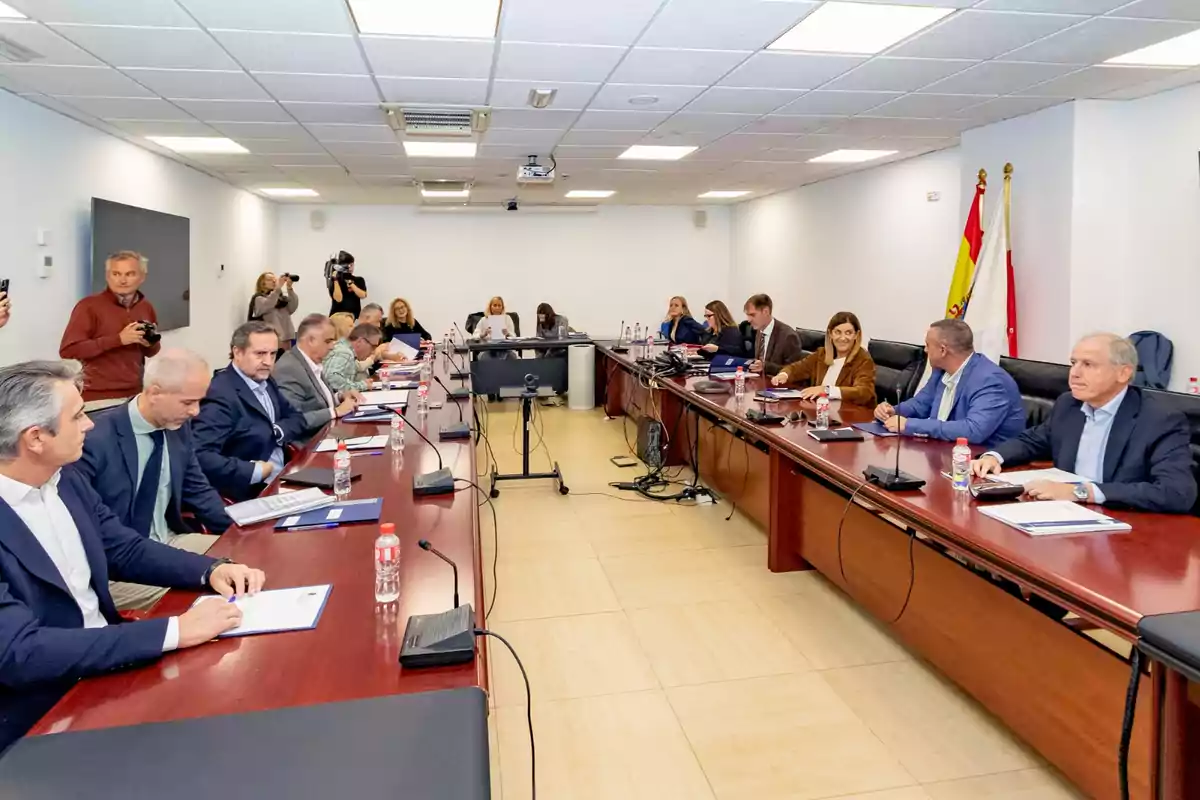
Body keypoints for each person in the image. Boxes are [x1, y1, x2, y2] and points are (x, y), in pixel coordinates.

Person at [0, 359, 265, 751]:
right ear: (35, 438)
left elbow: (121, 546)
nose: (90, 424)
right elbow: (22, 652)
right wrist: (176, 630)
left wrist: (210, 569)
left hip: (107, 665)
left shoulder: (63, 477)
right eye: (77, 417)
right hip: (41, 707)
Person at [70, 349, 233, 609]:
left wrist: (241, 532)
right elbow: (100, 537)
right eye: (188, 402)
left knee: (247, 561)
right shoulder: (95, 440)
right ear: (155, 393)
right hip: (121, 563)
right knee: (210, 596)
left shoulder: (178, 427)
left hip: (171, 540)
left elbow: (199, 490)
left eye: (200, 401)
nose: (196, 412)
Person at [973, 333, 1197, 513]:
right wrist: (994, 456)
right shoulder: (1069, 404)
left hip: (1125, 525)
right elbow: (1034, 440)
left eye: (1088, 364)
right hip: (1066, 512)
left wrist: (1081, 492)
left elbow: (1176, 493)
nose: (1075, 373)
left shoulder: (1160, 419)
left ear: (1123, 373)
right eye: (1073, 362)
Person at [192, 321, 313, 502]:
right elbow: (200, 455)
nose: (268, 362)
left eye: (273, 354)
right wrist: (253, 471)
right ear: (237, 352)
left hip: (286, 476)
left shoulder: (266, 380)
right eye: (260, 354)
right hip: (251, 491)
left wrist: (276, 431)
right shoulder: (221, 394)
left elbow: (297, 419)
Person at [874, 319, 1024, 448]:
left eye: (927, 345)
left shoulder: (990, 380)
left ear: (943, 350)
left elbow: (973, 430)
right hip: (946, 452)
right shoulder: (941, 371)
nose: (925, 350)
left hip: (986, 463)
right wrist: (892, 411)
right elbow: (920, 405)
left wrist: (908, 425)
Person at [59, 250, 162, 410]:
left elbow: (150, 352)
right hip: (98, 398)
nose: (122, 280)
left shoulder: (146, 306)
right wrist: (119, 340)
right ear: (108, 276)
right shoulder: (88, 306)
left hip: (134, 394)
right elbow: (68, 350)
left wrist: (149, 342)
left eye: (130, 274)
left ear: (142, 277)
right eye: (116, 274)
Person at [274, 314, 361, 439]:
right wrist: (335, 412)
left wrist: (340, 397)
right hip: (310, 445)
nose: (332, 346)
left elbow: (317, 402)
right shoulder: (289, 368)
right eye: (328, 341)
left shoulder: (313, 362)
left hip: (330, 434)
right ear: (311, 340)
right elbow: (292, 420)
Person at [772, 311, 878, 404]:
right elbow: (798, 368)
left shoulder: (863, 359)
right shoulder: (822, 354)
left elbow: (864, 392)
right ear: (830, 334)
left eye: (848, 333)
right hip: (821, 412)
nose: (843, 338)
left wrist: (827, 390)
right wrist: (784, 374)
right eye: (838, 332)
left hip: (849, 417)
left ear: (856, 335)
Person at [744, 293, 802, 377]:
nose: (749, 320)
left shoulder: (788, 336)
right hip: (759, 382)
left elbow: (793, 371)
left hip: (779, 386)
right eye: (747, 315)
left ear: (766, 312)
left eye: (752, 315)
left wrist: (766, 367)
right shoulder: (759, 331)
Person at [325, 323, 382, 394]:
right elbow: (331, 379)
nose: (373, 351)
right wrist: (362, 385)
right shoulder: (344, 352)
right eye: (373, 346)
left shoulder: (346, 351)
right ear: (360, 341)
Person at [247, 272, 299, 349]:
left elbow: (292, 307)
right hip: (271, 338)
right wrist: (277, 289)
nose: (274, 281)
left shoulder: (281, 299)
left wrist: (289, 288)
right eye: (269, 279)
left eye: (274, 279)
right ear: (262, 284)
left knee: (286, 360)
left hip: (286, 338)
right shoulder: (259, 299)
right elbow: (269, 304)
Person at [473, 296, 518, 360]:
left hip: (505, 349)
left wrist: (507, 334)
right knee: (483, 357)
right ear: (490, 307)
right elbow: (475, 335)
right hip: (488, 349)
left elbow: (514, 336)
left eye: (499, 305)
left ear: (502, 307)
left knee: (513, 357)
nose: (497, 307)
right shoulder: (484, 319)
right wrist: (483, 334)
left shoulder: (507, 318)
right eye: (495, 305)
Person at [326, 250, 367, 319]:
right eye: (348, 265)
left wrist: (351, 283)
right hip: (337, 317)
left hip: (354, 316)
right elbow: (338, 299)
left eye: (352, 265)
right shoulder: (334, 281)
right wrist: (335, 280)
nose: (350, 267)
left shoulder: (359, 280)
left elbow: (363, 295)